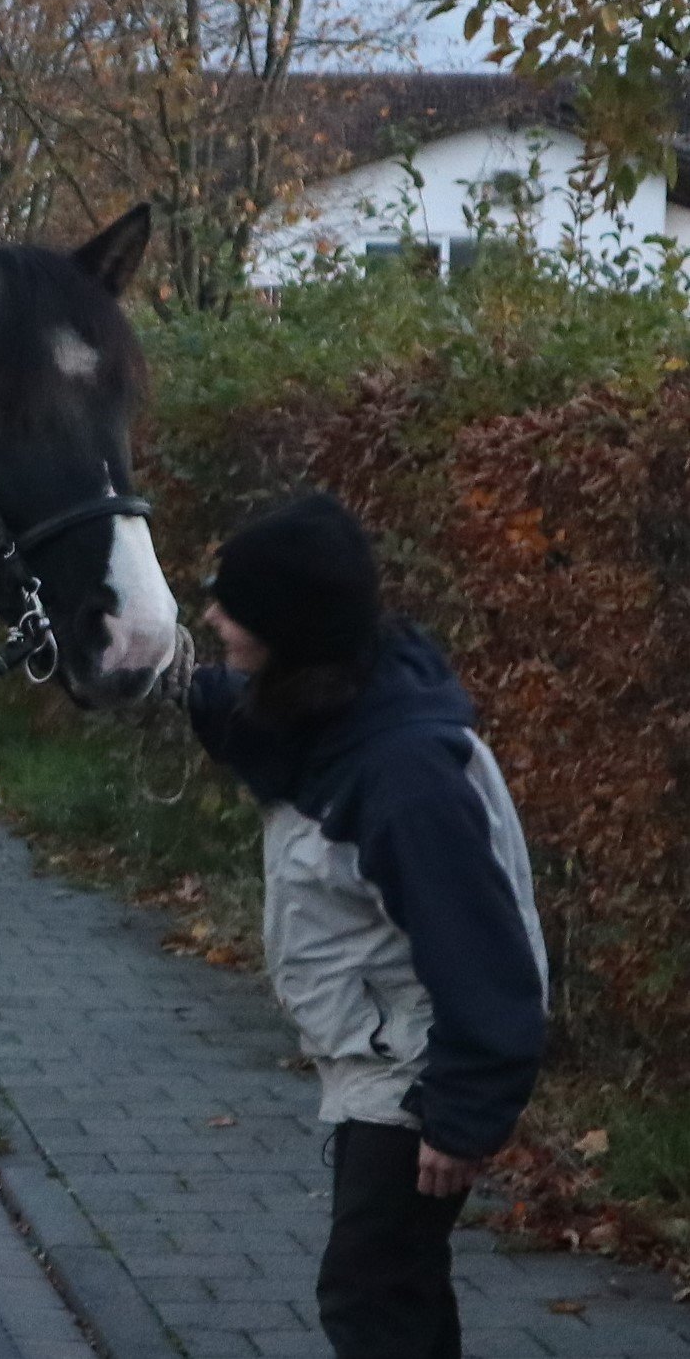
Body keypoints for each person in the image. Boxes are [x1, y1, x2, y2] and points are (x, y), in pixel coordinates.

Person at [187, 492, 548, 1359]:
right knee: (402, 1289)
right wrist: (156, 678)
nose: (210, 616)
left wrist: (458, 1117)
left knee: (368, 1296)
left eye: (229, 605)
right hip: (384, 1059)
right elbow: (259, 727)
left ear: (288, 625)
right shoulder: (343, 707)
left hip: (416, 1078)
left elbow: (485, 957)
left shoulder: (404, 777)